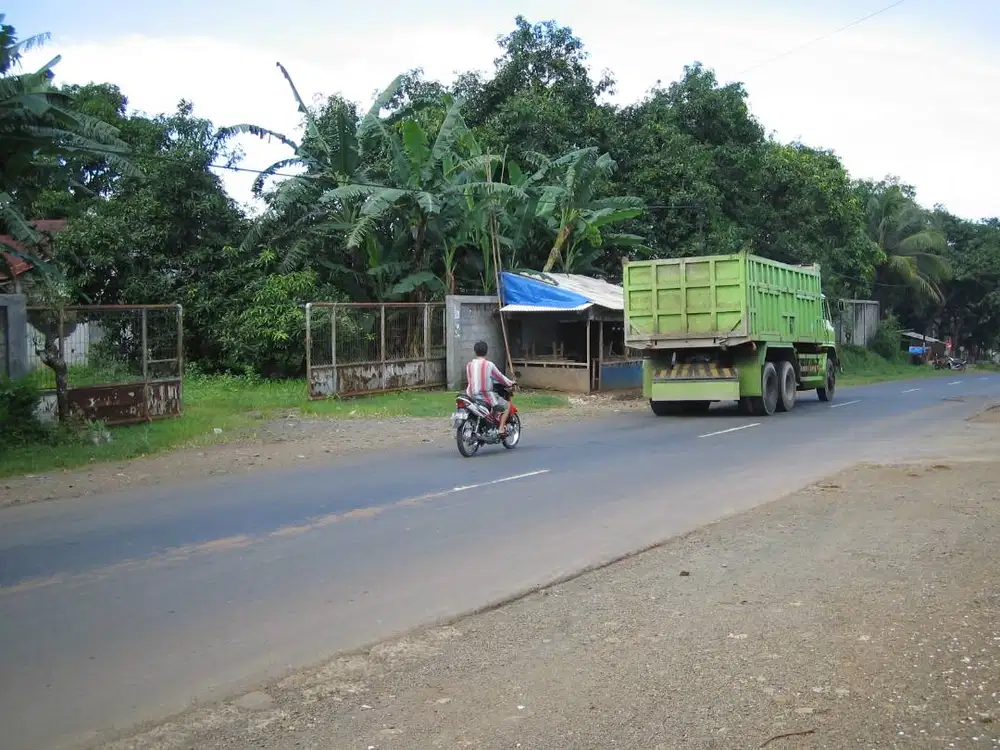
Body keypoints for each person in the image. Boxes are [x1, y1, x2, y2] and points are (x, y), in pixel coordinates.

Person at [466, 340, 516, 437]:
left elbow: (470, 379)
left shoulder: (469, 365)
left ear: (474, 351)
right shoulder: (489, 365)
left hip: (471, 395)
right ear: (486, 351)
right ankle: (501, 429)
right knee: (507, 406)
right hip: (484, 395)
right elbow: (500, 377)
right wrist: (510, 383)